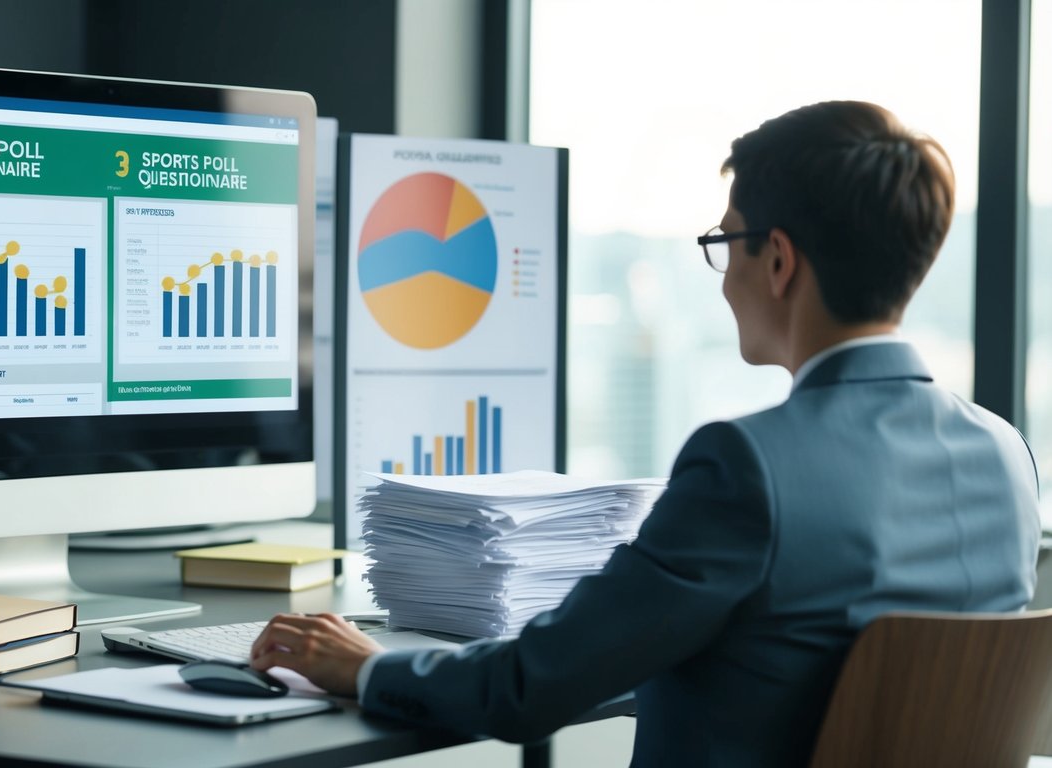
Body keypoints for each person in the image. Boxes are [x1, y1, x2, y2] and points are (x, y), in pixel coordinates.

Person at [249, 101, 1042, 766]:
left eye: (724, 243)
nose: (721, 273)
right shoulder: (1006, 455)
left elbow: (531, 688)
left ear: (777, 262)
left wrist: (368, 666)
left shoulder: (748, 467)